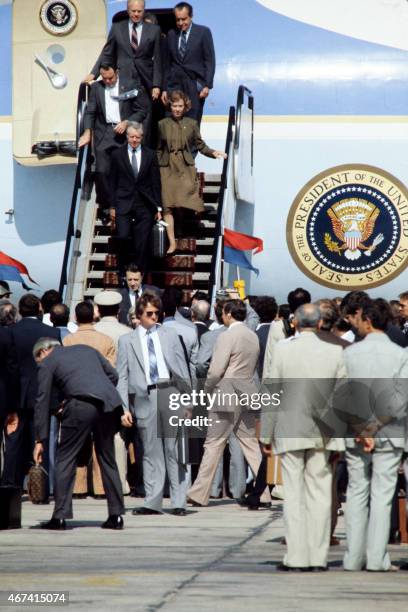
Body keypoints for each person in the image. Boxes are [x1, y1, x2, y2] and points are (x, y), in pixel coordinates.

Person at [260, 303, 346, 572]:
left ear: (295, 323)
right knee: (320, 495)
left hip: (290, 429)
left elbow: (272, 392)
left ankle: (297, 556)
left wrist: (266, 434)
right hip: (324, 431)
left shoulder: (284, 349)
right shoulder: (335, 351)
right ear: (320, 324)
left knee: (294, 494)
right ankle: (318, 557)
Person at [341, 299, 408, 572]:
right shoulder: (401, 354)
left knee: (356, 492)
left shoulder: (349, 353)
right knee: (383, 495)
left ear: (366, 320)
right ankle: (377, 558)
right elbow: (402, 398)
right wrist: (376, 424)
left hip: (356, 431)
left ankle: (353, 557)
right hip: (390, 430)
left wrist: (361, 427)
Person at [32, 339, 125, 530]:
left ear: (43, 351)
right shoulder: (87, 349)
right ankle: (116, 516)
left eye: (37, 360)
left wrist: (40, 439)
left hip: (80, 406)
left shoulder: (48, 362)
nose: (39, 364)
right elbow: (113, 376)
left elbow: (42, 400)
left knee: (65, 458)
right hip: (110, 405)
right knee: (107, 458)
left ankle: (59, 517)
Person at [187, 299, 270, 508]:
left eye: (223, 313)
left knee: (213, 444)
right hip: (247, 393)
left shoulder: (226, 335)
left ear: (229, 314)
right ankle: (264, 493)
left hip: (225, 393)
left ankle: (199, 493)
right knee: (251, 445)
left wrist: (206, 392)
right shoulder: (252, 335)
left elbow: (215, 370)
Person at [117, 293, 192, 515]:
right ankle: (152, 501)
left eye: (157, 313)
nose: (154, 317)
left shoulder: (169, 334)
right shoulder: (126, 340)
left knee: (175, 449)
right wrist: (123, 408)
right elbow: (121, 375)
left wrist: (188, 401)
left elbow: (182, 369)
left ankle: (179, 502)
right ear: (138, 315)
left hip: (170, 391)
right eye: (149, 313)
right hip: (144, 397)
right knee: (151, 452)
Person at [1, 294, 61, 488]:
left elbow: (10, 365)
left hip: (18, 392)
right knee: (42, 439)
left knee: (14, 439)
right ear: (40, 309)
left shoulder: (11, 331)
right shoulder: (51, 332)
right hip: (43, 392)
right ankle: (44, 485)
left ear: (21, 310)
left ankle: (11, 481)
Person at [84, 0, 162, 146]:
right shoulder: (117, 28)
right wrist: (94, 74)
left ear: (144, 10)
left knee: (145, 121)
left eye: (139, 11)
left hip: (145, 82)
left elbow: (158, 59)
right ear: (128, 10)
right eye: (133, 11)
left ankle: (142, 159)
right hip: (124, 81)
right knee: (126, 118)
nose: (136, 14)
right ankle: (125, 158)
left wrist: (157, 84)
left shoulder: (154, 30)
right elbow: (106, 53)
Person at [157, 90, 226, 253]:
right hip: (167, 167)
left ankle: (181, 225)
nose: (177, 109)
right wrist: (158, 165)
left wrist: (213, 153)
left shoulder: (192, 123)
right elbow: (159, 148)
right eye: (174, 106)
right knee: (167, 205)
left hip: (185, 165)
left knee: (181, 201)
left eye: (180, 106)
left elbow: (200, 145)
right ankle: (172, 241)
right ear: (170, 106)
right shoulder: (162, 124)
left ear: (185, 106)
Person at [79, 63, 146, 220]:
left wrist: (127, 122)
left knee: (126, 172)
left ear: (117, 72)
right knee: (102, 171)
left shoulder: (129, 85)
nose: (108, 81)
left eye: (111, 78)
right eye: (104, 78)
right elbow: (90, 112)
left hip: (125, 133)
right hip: (104, 133)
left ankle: (126, 206)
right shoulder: (96, 88)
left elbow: (141, 110)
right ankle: (107, 206)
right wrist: (88, 132)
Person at [109, 122, 162, 273]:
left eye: (137, 137)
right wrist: (112, 206)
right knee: (123, 236)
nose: (134, 140)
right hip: (123, 202)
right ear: (126, 137)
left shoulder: (150, 155)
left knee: (142, 242)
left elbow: (155, 183)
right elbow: (112, 182)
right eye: (131, 137)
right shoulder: (117, 155)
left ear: (142, 138)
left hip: (144, 204)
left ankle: (139, 274)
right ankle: (122, 271)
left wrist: (158, 207)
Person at [162, 2, 215, 126]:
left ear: (191, 16)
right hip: (174, 85)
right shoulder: (171, 34)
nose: (181, 23)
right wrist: (164, 88)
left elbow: (210, 60)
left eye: (184, 19)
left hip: (194, 85)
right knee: (172, 125)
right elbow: (166, 64)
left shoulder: (203, 32)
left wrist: (206, 85)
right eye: (178, 20)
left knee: (192, 124)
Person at [63, 302, 116, 366]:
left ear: (75, 317)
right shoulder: (107, 340)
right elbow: (111, 366)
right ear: (93, 316)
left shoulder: (67, 340)